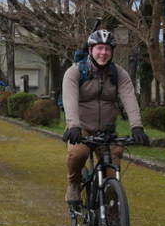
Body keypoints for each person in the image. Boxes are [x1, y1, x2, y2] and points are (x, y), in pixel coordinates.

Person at [61, 29, 149, 205]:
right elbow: (70, 100)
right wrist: (73, 126)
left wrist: (137, 127)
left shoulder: (119, 74)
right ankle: (73, 184)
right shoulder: (74, 72)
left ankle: (112, 209)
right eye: (99, 48)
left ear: (112, 52)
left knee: (113, 167)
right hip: (81, 128)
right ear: (91, 49)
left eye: (107, 49)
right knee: (78, 154)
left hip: (107, 130)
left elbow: (129, 98)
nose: (103, 53)